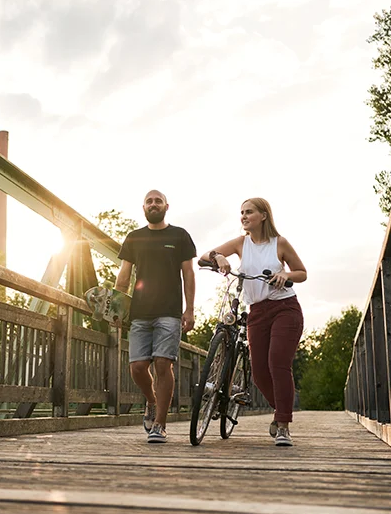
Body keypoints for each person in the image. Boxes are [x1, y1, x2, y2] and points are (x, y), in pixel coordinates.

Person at [203, 197, 306, 447]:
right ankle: (281, 409)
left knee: (277, 364)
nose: (244, 216)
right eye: (241, 213)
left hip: (285, 308)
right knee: (259, 374)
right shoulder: (241, 243)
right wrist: (219, 258)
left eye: (249, 212)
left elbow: (302, 273)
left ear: (263, 215)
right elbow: (204, 256)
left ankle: (283, 425)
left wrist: (285, 273)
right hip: (257, 312)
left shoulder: (279, 243)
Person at [115, 190, 196, 443]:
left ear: (166, 206)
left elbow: (189, 274)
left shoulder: (180, 235)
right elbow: (124, 276)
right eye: (149, 201)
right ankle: (151, 401)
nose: (153, 204)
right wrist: (116, 307)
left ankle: (159, 424)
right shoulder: (134, 238)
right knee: (138, 367)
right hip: (139, 312)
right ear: (143, 208)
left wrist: (190, 309)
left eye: (157, 201)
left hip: (169, 312)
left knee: (163, 364)